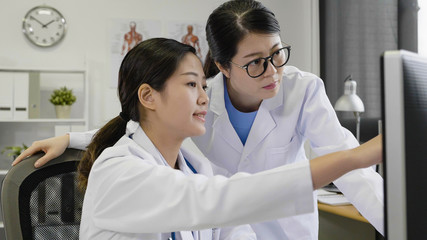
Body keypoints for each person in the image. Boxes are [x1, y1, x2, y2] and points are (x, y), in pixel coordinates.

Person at [15, 0, 384, 239]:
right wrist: (72, 136)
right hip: (226, 201)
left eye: (277, 54)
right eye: (255, 62)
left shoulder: (195, 166)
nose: (272, 71)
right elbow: (217, 198)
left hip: (283, 228)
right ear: (223, 67)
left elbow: (229, 219)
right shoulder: (126, 169)